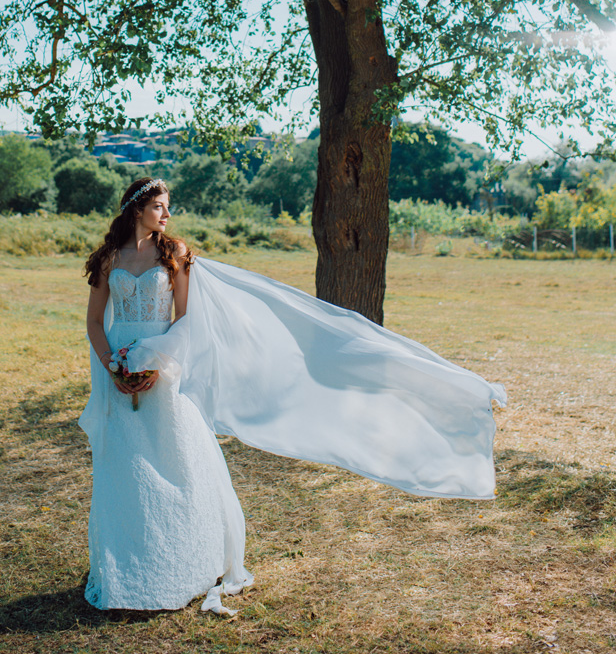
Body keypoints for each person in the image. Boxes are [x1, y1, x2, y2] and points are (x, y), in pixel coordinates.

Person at [79, 176, 506, 615]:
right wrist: (114, 365)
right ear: (137, 208)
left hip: (163, 373)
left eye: (168, 207)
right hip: (119, 374)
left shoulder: (174, 254)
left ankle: (178, 564)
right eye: (159, 207)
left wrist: (157, 364)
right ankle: (125, 565)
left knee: (174, 465)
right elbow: (95, 321)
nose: (167, 215)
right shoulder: (110, 258)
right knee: (125, 472)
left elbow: (186, 320)